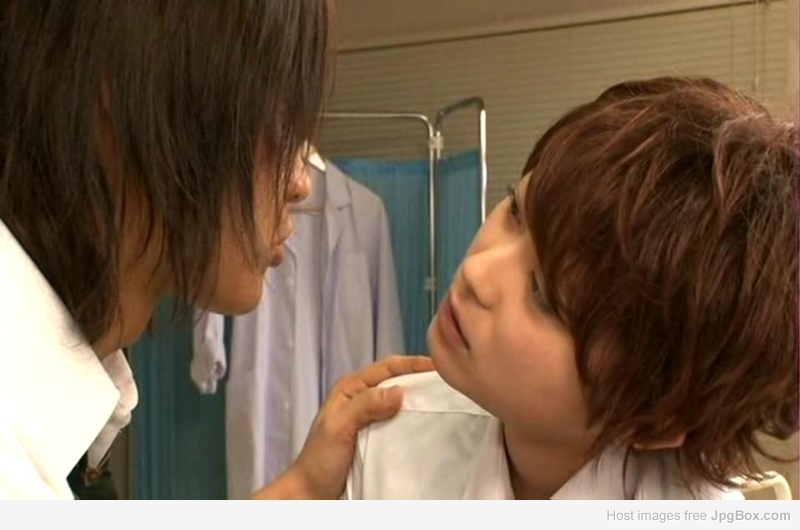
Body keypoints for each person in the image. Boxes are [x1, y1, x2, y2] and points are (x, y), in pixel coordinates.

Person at [0, 0, 432, 500]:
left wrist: (303, 487)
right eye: (278, 120)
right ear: (128, 89)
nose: (300, 183)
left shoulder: (63, 417)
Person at [345, 76, 799, 500]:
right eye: (515, 212)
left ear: (656, 422)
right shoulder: (386, 438)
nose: (477, 273)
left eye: (543, 295)